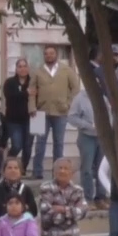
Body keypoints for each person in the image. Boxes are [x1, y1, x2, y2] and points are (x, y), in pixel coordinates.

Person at [33, 47, 78, 179]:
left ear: (56, 55)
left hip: (61, 112)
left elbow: (75, 89)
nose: (49, 56)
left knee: (59, 143)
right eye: (46, 54)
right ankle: (37, 172)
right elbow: (31, 91)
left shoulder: (66, 70)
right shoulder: (37, 71)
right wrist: (32, 108)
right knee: (39, 144)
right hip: (40, 112)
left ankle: (58, 173)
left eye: (51, 53)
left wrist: (68, 104)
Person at [0, 61, 35, 181]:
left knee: (28, 146)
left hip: (30, 119)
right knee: (17, 145)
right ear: (16, 69)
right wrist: (26, 93)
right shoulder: (10, 82)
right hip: (13, 120)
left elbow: (37, 96)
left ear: (28, 68)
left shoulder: (33, 82)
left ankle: (22, 169)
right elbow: (11, 96)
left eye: (25, 66)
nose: (22, 69)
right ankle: (7, 166)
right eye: (20, 67)